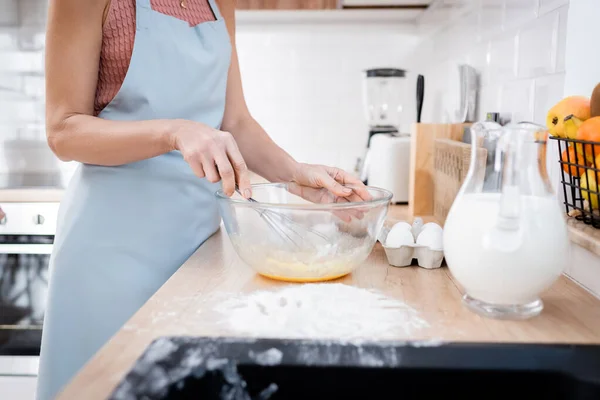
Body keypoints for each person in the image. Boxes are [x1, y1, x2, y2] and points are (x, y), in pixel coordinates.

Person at [37, 0, 370, 398]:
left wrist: (294, 174)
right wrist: (173, 132)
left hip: (197, 247)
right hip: (111, 252)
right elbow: (63, 131)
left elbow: (235, 122)